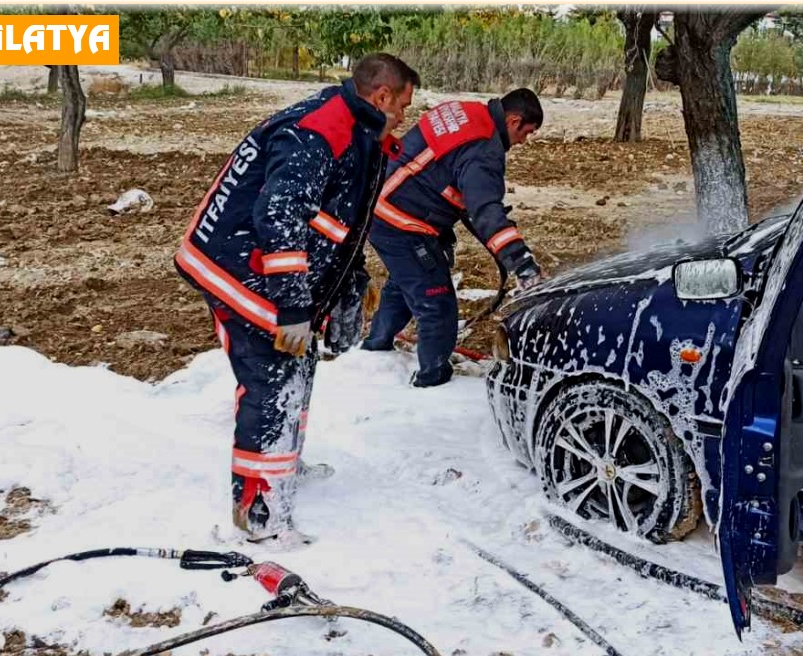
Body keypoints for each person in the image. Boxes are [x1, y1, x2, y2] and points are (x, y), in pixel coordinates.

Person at [174, 53, 419, 546]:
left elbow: (333, 218)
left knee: (296, 368)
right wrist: (291, 309)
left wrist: (351, 277)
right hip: (241, 270)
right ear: (383, 96)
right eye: (404, 106)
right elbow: (280, 216)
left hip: (264, 267)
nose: (405, 117)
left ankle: (283, 463)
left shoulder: (355, 127)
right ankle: (259, 513)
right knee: (271, 378)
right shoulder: (323, 129)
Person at [361, 89, 546, 387]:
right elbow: (485, 211)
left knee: (407, 281)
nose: (524, 140)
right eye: (527, 132)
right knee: (437, 305)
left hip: (382, 199)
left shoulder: (467, 111)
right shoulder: (484, 151)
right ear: (513, 121)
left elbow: (444, 172)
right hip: (400, 218)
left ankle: (374, 352)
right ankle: (432, 382)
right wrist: (522, 264)